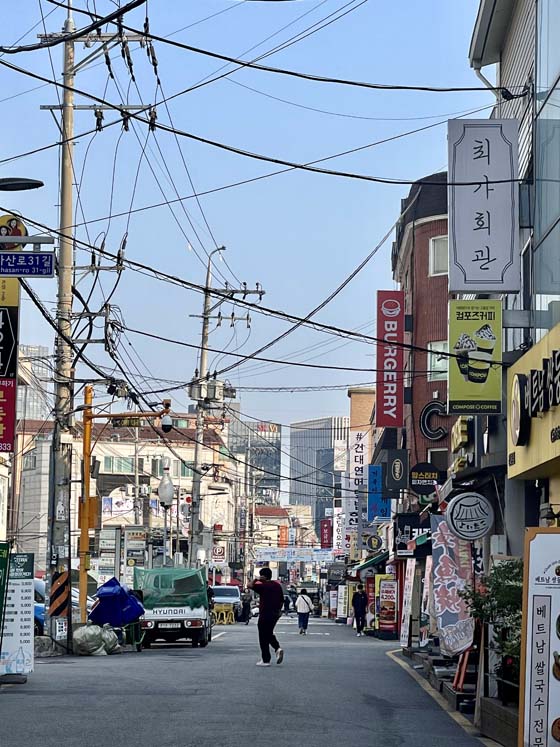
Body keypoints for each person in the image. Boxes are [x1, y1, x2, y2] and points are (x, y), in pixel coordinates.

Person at [248, 567, 284, 667]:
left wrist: (256, 579)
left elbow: (249, 585)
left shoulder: (263, 586)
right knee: (268, 633)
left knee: (263, 636)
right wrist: (279, 610)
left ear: (262, 576)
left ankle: (266, 659)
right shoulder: (277, 585)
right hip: (275, 614)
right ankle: (277, 649)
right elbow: (282, 600)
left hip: (265, 613)